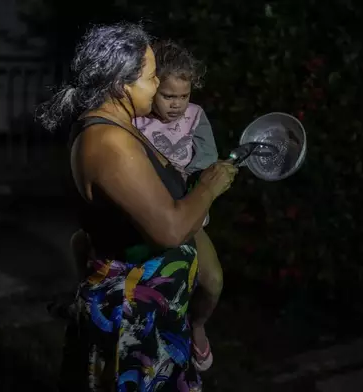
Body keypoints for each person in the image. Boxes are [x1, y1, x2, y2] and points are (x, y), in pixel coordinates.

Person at [36, 22, 237, 392]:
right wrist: (208, 187)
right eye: (149, 77)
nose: (158, 85)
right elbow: (170, 230)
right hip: (134, 323)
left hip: (156, 316)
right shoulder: (108, 141)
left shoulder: (120, 128)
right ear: (120, 84)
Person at [134, 40, 222, 372]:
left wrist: (197, 179)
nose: (176, 105)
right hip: (150, 220)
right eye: (168, 96)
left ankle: (197, 325)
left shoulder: (195, 117)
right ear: (153, 87)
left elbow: (208, 162)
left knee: (212, 281)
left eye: (183, 96)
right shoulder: (137, 120)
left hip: (190, 220)